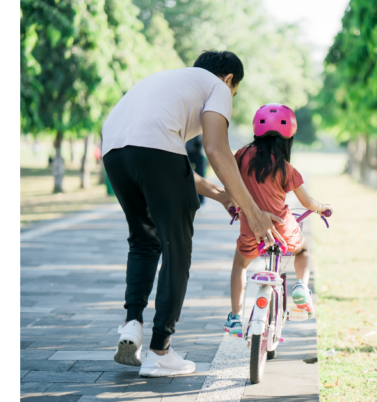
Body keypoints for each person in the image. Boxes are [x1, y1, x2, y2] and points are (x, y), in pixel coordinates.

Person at [101, 51, 288, 377]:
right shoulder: (216, 87)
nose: (230, 98)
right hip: (151, 152)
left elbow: (171, 165)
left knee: (144, 240)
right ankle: (160, 351)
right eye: (234, 92)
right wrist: (254, 211)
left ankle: (132, 324)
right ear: (229, 79)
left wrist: (220, 194)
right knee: (177, 248)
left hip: (114, 152)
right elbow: (215, 149)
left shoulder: (169, 81)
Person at [223, 103, 332, 335]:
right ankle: (301, 286)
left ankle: (234, 316)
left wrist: (234, 204)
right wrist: (321, 208)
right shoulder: (285, 168)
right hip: (283, 231)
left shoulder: (241, 156)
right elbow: (307, 203)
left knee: (240, 264)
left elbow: (229, 181)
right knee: (302, 250)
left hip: (251, 231)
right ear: (288, 138)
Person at [185, 135, 207, 205]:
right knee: (186, 174)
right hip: (189, 150)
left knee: (199, 176)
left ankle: (201, 199)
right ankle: (196, 199)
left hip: (196, 150)